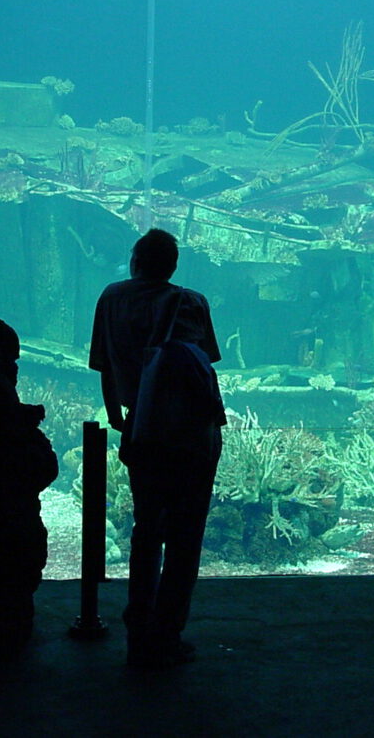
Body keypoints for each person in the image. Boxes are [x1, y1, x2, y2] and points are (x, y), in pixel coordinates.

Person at [89, 228, 223, 669]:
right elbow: (201, 364)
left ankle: (137, 631)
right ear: (173, 265)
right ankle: (167, 633)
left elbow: (104, 365)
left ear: (135, 261)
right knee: (186, 534)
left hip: (140, 428)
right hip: (188, 433)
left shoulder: (111, 297)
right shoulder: (190, 301)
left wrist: (118, 415)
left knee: (147, 530)